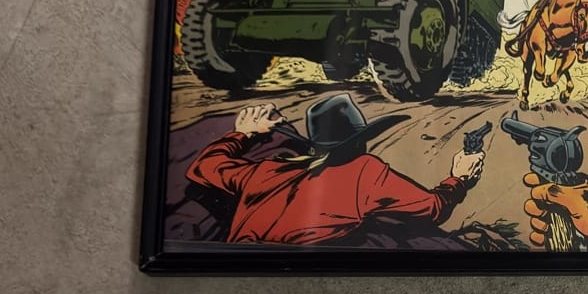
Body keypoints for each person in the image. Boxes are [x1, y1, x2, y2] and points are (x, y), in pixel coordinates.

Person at [185, 92, 486, 246]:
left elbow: (205, 166)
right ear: (360, 141)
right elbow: (433, 208)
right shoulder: (364, 171)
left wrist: (243, 133)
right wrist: (459, 177)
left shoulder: (265, 171)